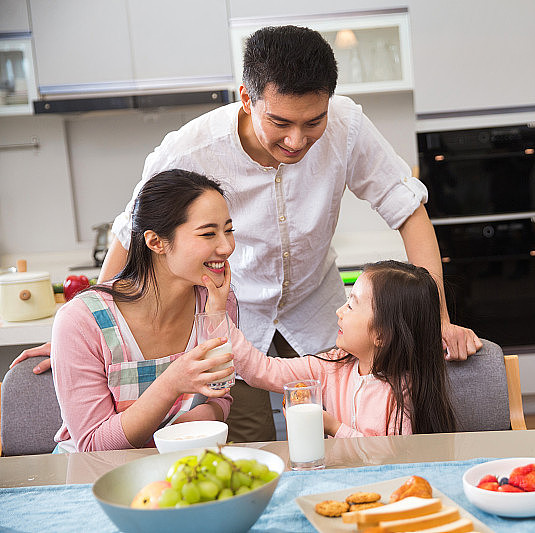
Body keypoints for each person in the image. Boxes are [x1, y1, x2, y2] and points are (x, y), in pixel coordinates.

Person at [12, 25, 480, 443]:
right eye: (280, 122)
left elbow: (408, 212)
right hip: (233, 316)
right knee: (249, 440)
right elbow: (131, 232)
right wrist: (87, 332)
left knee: (340, 434)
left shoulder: (348, 126)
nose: (296, 140)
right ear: (246, 98)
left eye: (313, 122)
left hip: (318, 312)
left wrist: (438, 318)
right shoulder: (192, 148)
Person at [48, 170, 237, 452]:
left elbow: (220, 394)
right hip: (92, 472)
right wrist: (171, 383)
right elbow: (93, 447)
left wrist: (198, 419)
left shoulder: (217, 301)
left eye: (229, 230)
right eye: (209, 233)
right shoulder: (81, 320)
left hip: (175, 463)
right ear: (156, 242)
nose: (227, 246)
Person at [202, 259, 457, 437]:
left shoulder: (405, 392)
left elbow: (389, 456)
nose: (339, 311)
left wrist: (333, 427)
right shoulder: (332, 366)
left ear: (381, 334)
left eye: (351, 305)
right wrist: (217, 313)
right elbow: (262, 370)